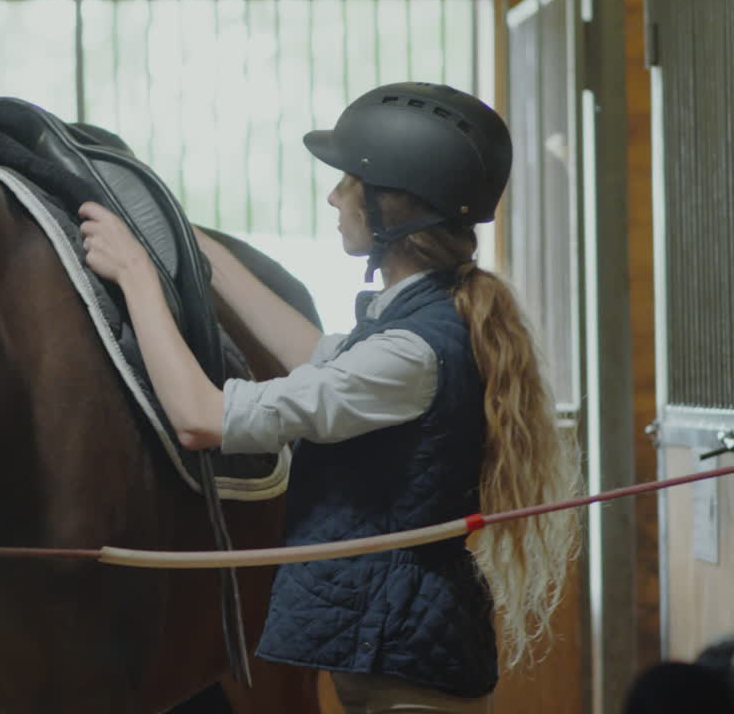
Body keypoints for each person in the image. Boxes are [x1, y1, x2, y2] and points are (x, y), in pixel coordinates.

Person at [78, 82, 580, 713]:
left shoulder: (408, 353)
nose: (333, 196)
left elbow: (200, 419)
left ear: (390, 210)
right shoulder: (418, 322)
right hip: (397, 655)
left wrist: (136, 277)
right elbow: (312, 353)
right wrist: (189, 238)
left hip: (405, 673)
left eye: (348, 183)